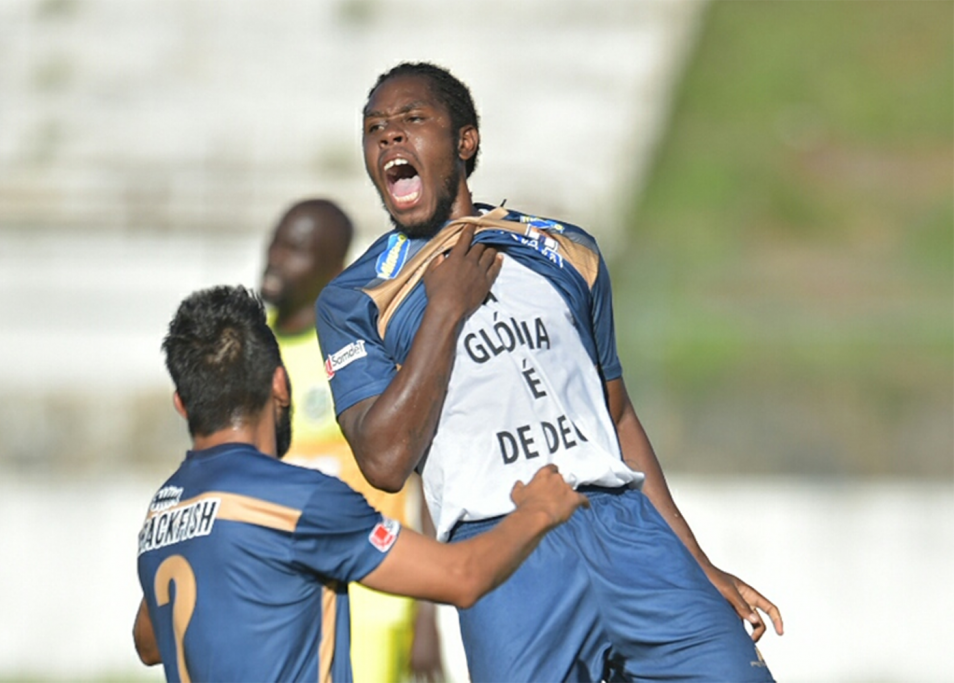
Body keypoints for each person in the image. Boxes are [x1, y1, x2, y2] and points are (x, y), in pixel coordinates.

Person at [314, 62, 785, 682]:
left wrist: (696, 561)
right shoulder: (357, 296)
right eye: (375, 127)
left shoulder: (565, 249)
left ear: (465, 141)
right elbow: (384, 460)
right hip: (508, 550)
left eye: (412, 120)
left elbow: (616, 416)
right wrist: (446, 310)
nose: (390, 137)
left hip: (626, 530)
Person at [132, 284, 587, 683]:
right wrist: (540, 508)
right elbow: (462, 576)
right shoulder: (299, 502)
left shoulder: (163, 513)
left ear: (181, 403)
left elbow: (149, 644)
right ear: (280, 385)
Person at [259, 198, 442, 683]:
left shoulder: (360, 355)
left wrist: (427, 615)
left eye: (295, 249)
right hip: (279, 596)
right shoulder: (253, 357)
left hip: (370, 597)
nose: (275, 257)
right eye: (276, 241)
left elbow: (420, 482)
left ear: (334, 269)